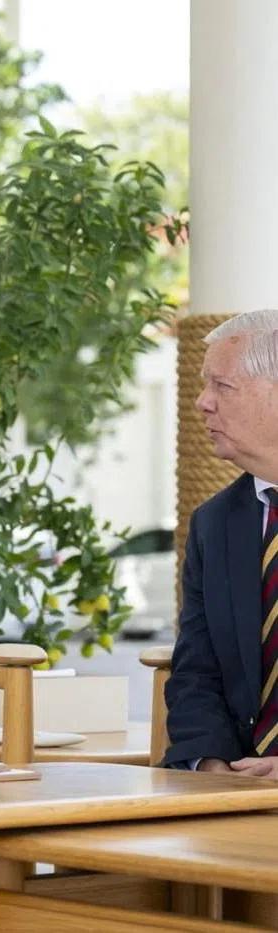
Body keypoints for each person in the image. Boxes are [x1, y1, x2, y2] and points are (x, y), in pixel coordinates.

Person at [165, 308, 278, 778]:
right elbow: (196, 673)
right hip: (234, 794)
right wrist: (210, 765)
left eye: (222, 387)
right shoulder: (214, 523)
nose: (202, 403)